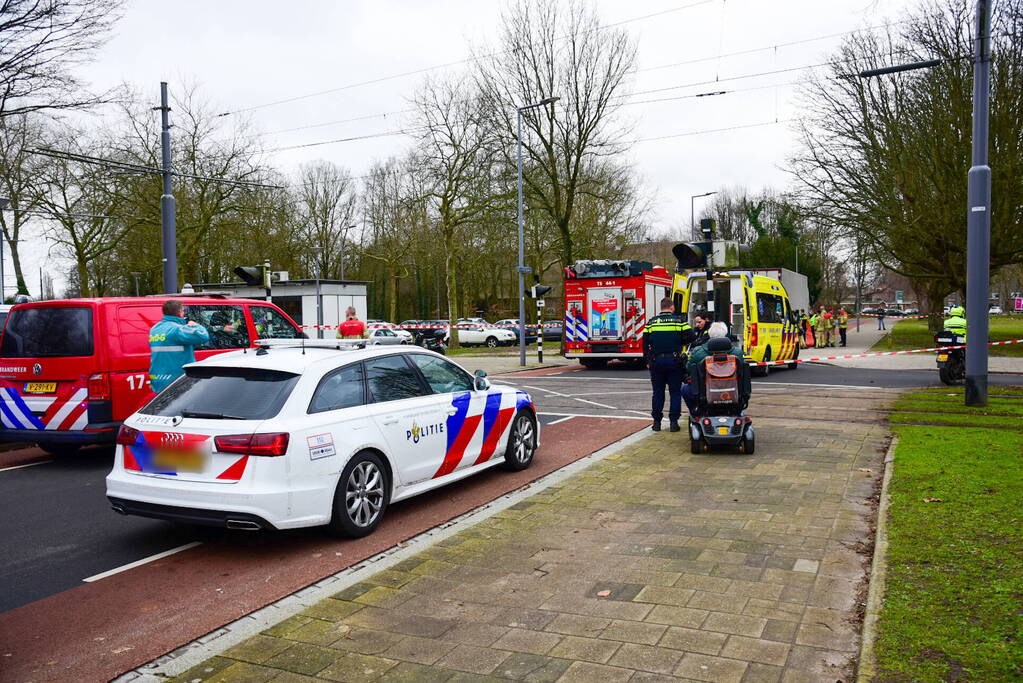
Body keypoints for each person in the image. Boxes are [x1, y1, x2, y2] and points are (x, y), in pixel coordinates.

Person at [643, 297, 694, 432]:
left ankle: (657, 423)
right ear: (671, 307)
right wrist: (680, 342)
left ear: (661, 308)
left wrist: (647, 360)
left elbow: (644, 343)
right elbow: (692, 337)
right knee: (675, 392)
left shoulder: (651, 323)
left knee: (658, 392)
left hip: (656, 362)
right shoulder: (679, 321)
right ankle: (673, 423)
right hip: (674, 361)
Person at [683, 322, 746, 417]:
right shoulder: (737, 353)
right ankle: (737, 411)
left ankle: (695, 413)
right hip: (732, 392)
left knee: (685, 389)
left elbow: (689, 369)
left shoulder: (698, 352)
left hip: (704, 394)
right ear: (725, 334)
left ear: (709, 334)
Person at [148, 299, 211, 393]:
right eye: (183, 310)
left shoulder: (154, 329)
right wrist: (196, 325)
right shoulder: (178, 329)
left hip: (157, 379)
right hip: (176, 380)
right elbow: (203, 336)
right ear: (179, 312)